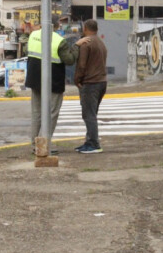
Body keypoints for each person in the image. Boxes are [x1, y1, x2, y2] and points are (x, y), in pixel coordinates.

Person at [27, 14, 65, 155]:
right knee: (52, 113)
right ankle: (43, 144)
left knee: (36, 113)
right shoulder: (59, 40)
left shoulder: (33, 35)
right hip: (53, 81)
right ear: (55, 25)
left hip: (34, 79)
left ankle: (34, 144)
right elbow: (69, 59)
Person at [73, 19, 108, 154]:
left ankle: (94, 143)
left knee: (89, 114)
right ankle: (89, 141)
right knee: (91, 113)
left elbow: (81, 65)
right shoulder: (101, 43)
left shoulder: (86, 43)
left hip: (90, 83)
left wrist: (77, 80)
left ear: (85, 28)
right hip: (102, 82)